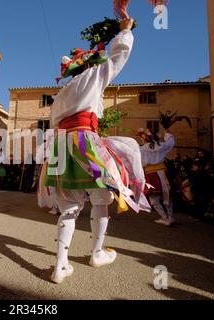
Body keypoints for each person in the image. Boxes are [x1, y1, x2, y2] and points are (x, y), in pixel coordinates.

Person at [43, 17, 150, 284]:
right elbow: (117, 57)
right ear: (90, 64)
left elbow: (56, 124)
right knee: (102, 200)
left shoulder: (61, 93)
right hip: (83, 142)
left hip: (60, 146)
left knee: (68, 207)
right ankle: (97, 252)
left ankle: (60, 265)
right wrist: (124, 31)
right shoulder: (92, 77)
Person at [138, 128, 175, 226]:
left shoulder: (142, 149)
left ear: (145, 138)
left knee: (154, 198)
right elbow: (170, 143)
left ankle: (164, 218)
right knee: (167, 195)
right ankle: (170, 217)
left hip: (151, 173)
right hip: (163, 172)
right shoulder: (161, 145)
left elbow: (141, 163)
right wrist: (167, 132)